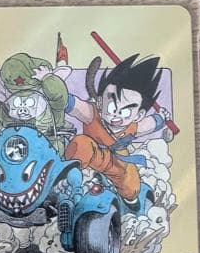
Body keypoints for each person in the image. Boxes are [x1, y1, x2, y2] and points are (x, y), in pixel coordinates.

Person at [63, 54, 166, 208]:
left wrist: (161, 118)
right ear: (100, 102)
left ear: (138, 115)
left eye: (125, 111)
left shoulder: (133, 126)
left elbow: (150, 124)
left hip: (117, 159)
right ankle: (70, 180)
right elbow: (74, 105)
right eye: (112, 107)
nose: (116, 115)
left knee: (130, 183)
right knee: (81, 143)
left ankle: (129, 201)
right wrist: (57, 92)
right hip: (92, 153)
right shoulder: (92, 114)